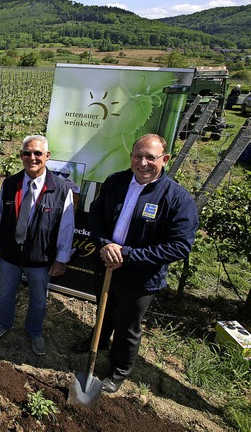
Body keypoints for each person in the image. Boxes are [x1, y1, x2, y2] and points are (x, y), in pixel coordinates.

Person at [73, 133, 199, 393]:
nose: (143, 163)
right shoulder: (116, 182)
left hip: (140, 277)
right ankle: (99, 341)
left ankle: (119, 370)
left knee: (128, 326)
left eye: (151, 158)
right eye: (137, 156)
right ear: (131, 157)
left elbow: (179, 246)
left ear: (164, 159)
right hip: (107, 263)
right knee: (104, 308)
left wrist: (127, 255)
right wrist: (105, 243)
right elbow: (95, 214)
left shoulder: (177, 199)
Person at [0, 135, 75, 356]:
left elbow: (66, 226)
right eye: (27, 153)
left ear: (47, 156)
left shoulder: (61, 189)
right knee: (5, 294)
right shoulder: (10, 183)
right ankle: (4, 324)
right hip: (10, 254)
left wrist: (61, 258)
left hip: (40, 258)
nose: (32, 158)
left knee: (38, 300)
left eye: (37, 153)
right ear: (21, 156)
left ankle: (34, 331)